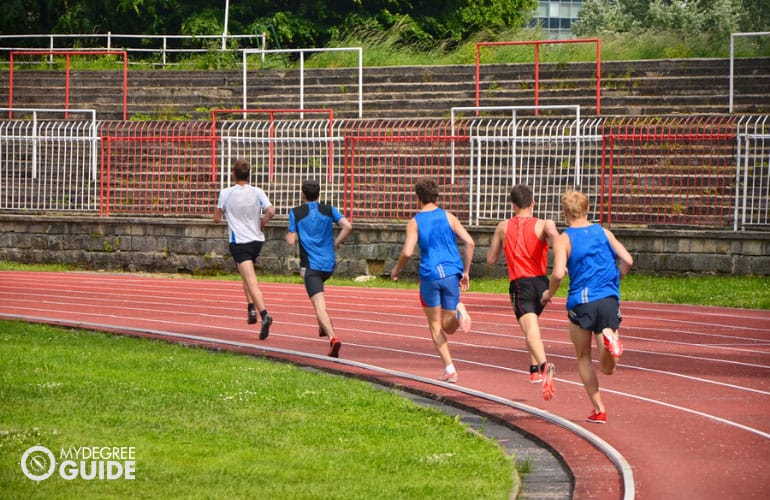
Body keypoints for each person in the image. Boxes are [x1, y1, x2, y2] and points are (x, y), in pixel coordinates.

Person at [541, 190, 633, 423]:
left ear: (564, 213)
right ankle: (610, 341)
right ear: (587, 209)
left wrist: (549, 292)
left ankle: (599, 409)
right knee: (608, 367)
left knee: (583, 356)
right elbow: (628, 260)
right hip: (609, 299)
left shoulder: (564, 238)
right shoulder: (603, 232)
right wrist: (616, 279)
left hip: (582, 302)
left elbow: (559, 273)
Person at [390, 177, 475, 383]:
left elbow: (408, 251)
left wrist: (396, 269)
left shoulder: (415, 222)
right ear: (436, 197)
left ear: (417, 198)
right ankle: (458, 312)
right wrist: (466, 271)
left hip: (430, 276)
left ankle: (450, 369)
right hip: (451, 274)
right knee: (449, 325)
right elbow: (470, 242)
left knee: (436, 326)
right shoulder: (449, 217)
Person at [487, 184, 559, 400]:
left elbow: (491, 260)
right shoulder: (544, 224)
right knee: (531, 324)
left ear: (513, 205)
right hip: (542, 283)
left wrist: (502, 247)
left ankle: (545, 366)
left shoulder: (503, 227)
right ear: (533, 203)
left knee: (530, 329)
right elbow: (555, 237)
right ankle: (533, 368)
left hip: (521, 284)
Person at [286, 179, 353, 357]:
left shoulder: (296, 213)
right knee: (319, 294)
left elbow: (291, 240)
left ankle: (333, 338)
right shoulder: (329, 210)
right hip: (329, 264)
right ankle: (322, 325)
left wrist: (291, 235)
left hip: (311, 266)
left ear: (303, 195)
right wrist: (336, 243)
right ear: (319, 194)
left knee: (319, 304)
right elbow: (347, 226)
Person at [213, 159, 275, 340]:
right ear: (249, 175)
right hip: (256, 239)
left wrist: (221, 212)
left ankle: (264, 314)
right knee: (245, 273)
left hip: (239, 241)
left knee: (251, 279)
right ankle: (250, 309)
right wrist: (262, 222)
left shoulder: (226, 193)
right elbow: (271, 211)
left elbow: (216, 218)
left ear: (233, 174)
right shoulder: (257, 191)